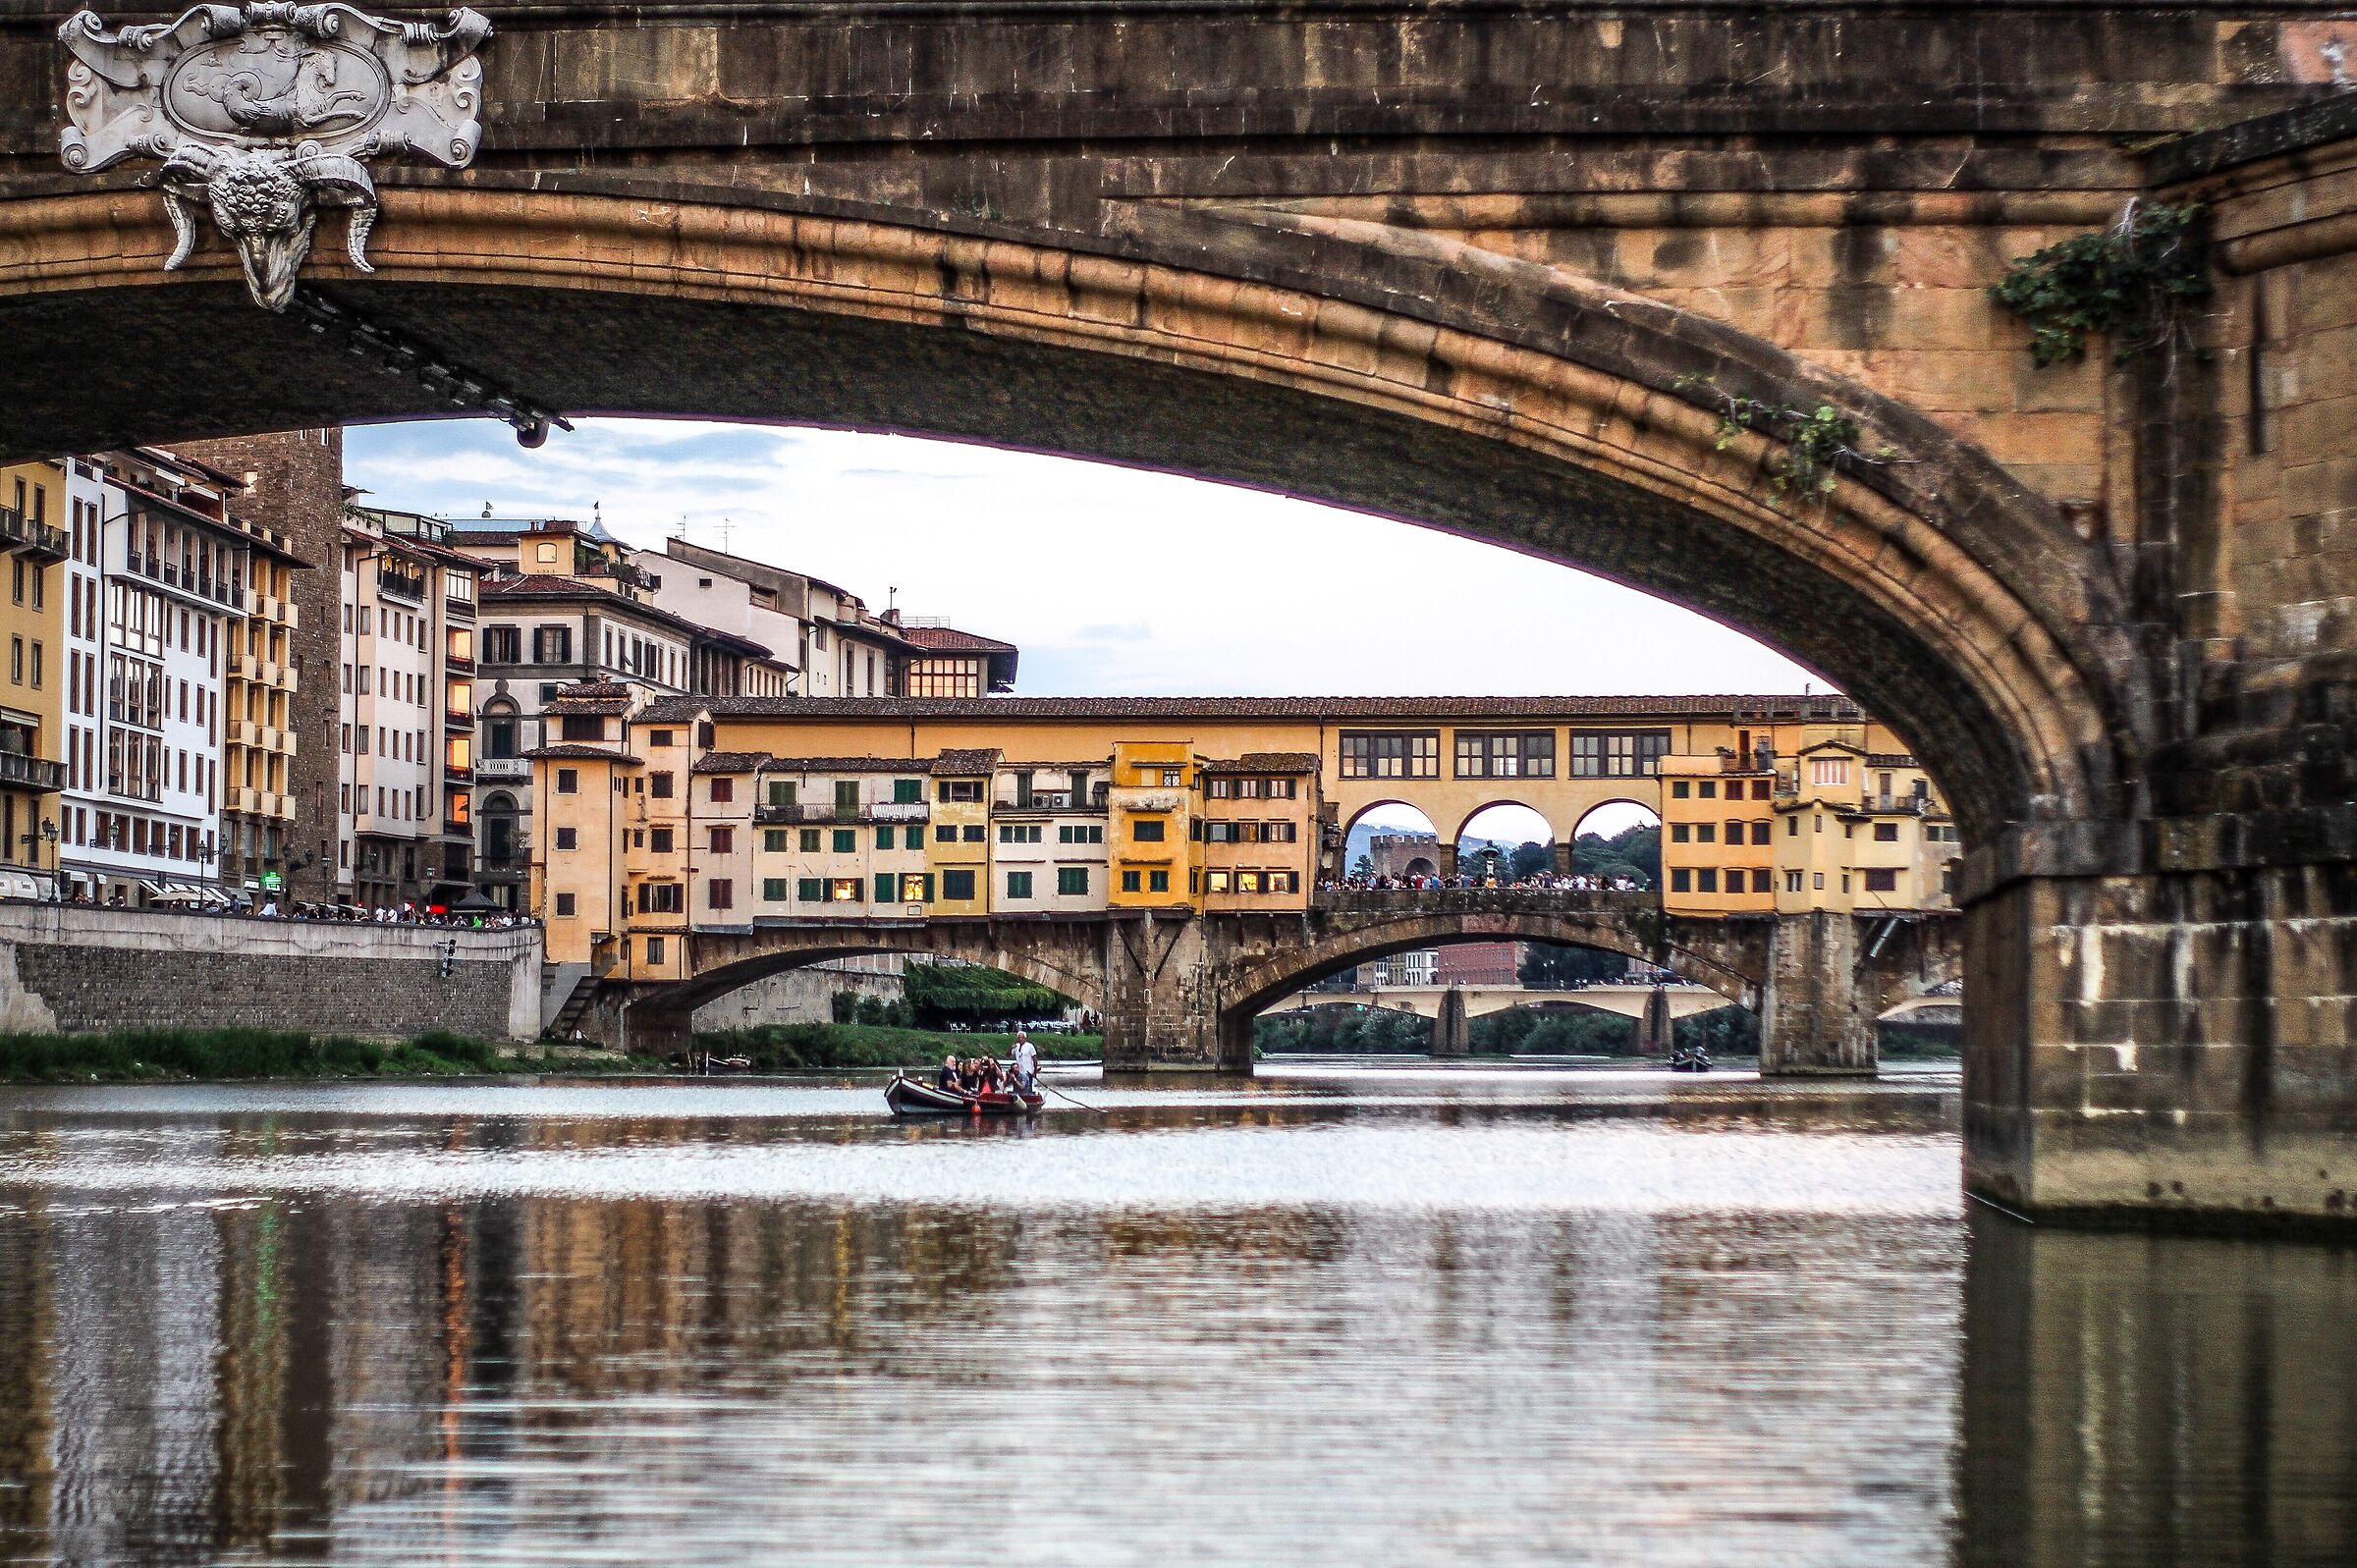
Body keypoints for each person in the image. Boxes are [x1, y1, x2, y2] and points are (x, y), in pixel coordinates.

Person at [1012, 1030, 1038, 1094]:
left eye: (1022, 1037)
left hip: (1028, 1071)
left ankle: (1029, 1097)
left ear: (1025, 1038)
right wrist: (1011, 1048)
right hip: (1019, 1071)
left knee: (1027, 1087)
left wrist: (1035, 1071)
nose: (1020, 1039)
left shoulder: (1030, 1046)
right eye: (1019, 1038)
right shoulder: (1016, 1046)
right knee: (1017, 1086)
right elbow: (1008, 1054)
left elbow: (1035, 1059)